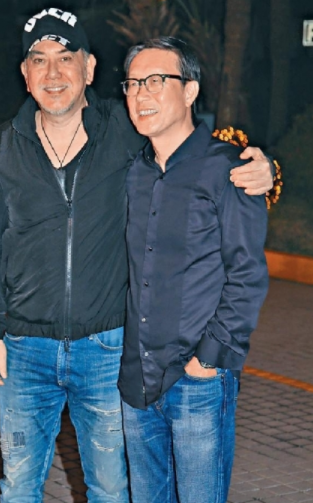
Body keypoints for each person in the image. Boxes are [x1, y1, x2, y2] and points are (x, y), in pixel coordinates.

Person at [0, 8, 273, 503]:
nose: (53, 72)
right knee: (18, 486)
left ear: (89, 68)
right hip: (25, 348)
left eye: (66, 58)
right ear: (24, 73)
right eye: (39, 60)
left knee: (110, 489)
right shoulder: (2, 147)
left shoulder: (124, 130)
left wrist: (265, 167)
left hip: (106, 348)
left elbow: (196, 150)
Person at [118, 36, 269, 503]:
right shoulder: (133, 172)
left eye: (156, 81)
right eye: (132, 84)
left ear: (189, 91)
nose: (141, 94)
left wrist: (207, 360)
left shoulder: (228, 170)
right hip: (137, 380)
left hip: (197, 381)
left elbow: (247, 275)